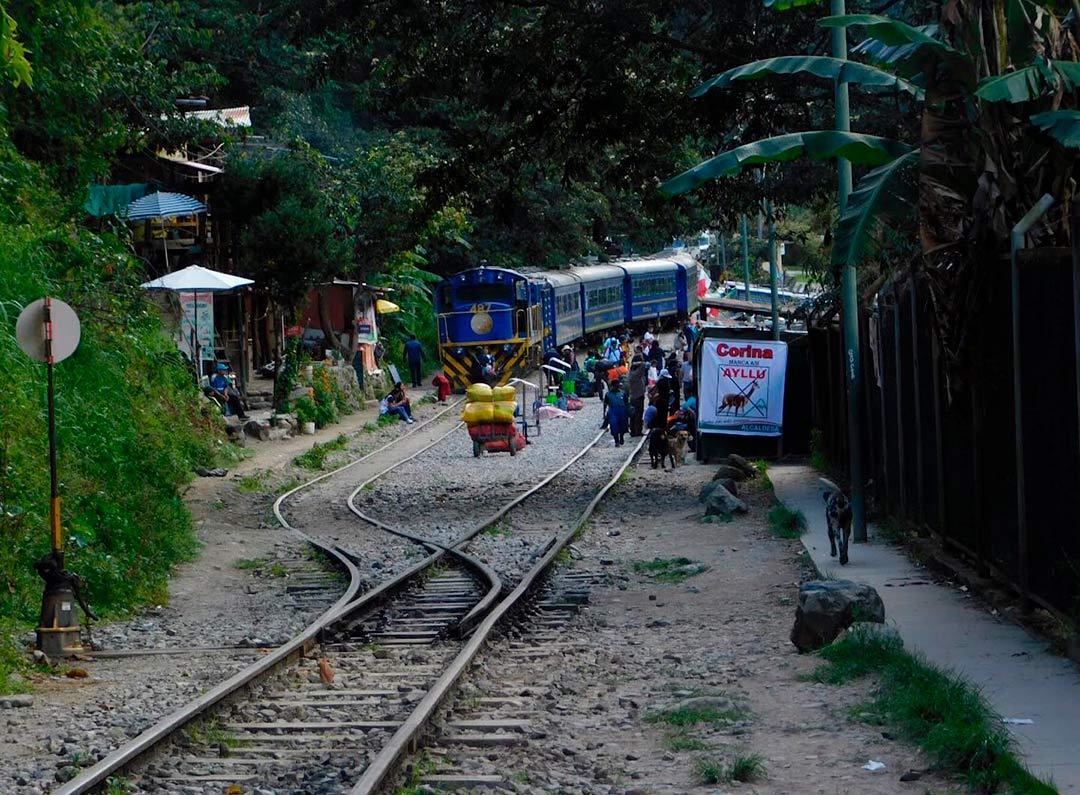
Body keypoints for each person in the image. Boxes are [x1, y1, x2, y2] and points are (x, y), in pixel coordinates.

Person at [627, 355, 648, 437]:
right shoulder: (636, 374)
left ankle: (633, 430)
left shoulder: (631, 372)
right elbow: (644, 365)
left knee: (633, 414)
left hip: (633, 396)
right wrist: (639, 362)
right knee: (638, 414)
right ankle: (637, 431)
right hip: (638, 396)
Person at [604, 379, 628, 446]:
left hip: (622, 410)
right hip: (613, 411)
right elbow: (605, 404)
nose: (617, 387)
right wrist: (604, 413)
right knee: (614, 425)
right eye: (615, 386)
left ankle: (621, 437)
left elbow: (626, 403)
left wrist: (628, 411)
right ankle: (616, 441)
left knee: (622, 425)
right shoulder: (608, 394)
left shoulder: (623, 393)